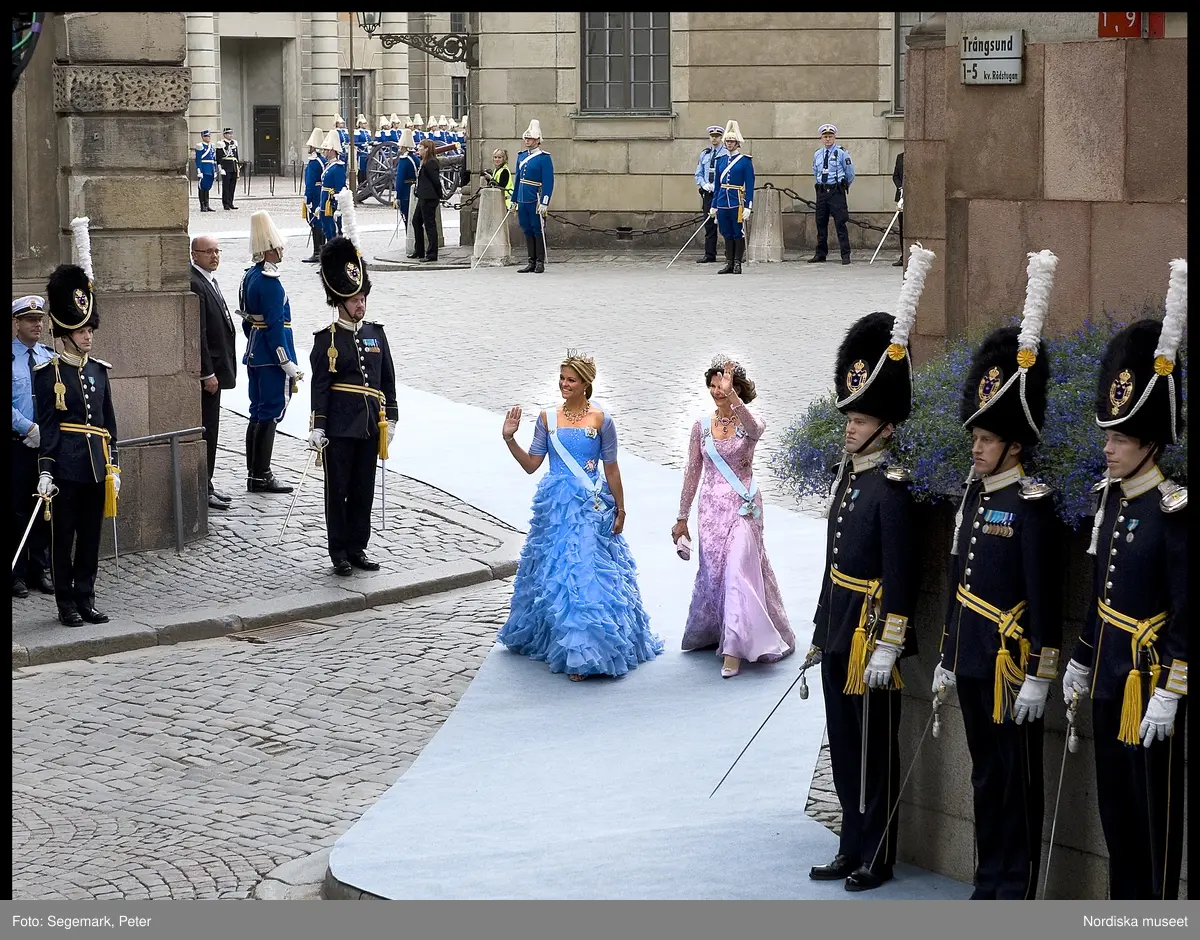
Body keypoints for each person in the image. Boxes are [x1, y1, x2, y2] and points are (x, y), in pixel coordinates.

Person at [934, 250, 1062, 900]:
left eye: (986, 439)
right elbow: (962, 584)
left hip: (1014, 668)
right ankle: (990, 881)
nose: (976, 447)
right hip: (978, 662)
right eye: (976, 438)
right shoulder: (976, 497)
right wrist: (949, 654)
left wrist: (1042, 674)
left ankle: (1015, 887)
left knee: (1015, 779)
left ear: (1014, 444)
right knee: (986, 778)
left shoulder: (1031, 506)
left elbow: (1044, 599)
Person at [808, 244, 935, 892]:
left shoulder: (893, 488)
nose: (849, 428)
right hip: (840, 631)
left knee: (874, 749)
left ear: (885, 426)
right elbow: (835, 566)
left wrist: (889, 643)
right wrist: (817, 633)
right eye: (849, 417)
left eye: (859, 419)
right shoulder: (850, 480)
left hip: (873, 637)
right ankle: (849, 841)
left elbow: (900, 573)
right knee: (844, 741)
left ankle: (876, 853)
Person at [1062, 259, 1188, 901]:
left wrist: (1173, 686)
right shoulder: (1109, 501)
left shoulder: (1172, 511)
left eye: (1122, 436)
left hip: (1148, 681)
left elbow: (1186, 612)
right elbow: (1099, 594)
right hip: (1110, 675)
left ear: (1151, 442)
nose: (1108, 447)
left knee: (1152, 815)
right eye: (1108, 435)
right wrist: (1083, 659)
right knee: (1116, 812)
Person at [498, 351, 663, 680]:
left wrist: (621, 507)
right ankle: (559, 640)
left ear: (586, 384)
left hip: (590, 505)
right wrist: (509, 438)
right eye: (561, 378)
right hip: (556, 507)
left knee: (584, 571)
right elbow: (532, 465)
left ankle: (587, 650)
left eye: (571, 380)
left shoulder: (602, 419)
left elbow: (612, 469)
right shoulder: (547, 418)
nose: (564, 384)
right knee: (554, 573)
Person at [674, 357, 796, 677]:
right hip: (710, 511)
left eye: (723, 385)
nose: (717, 390)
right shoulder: (701, 427)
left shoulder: (749, 422)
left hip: (744, 508)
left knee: (738, 571)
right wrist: (682, 517)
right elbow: (691, 473)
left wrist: (734, 399)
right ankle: (716, 631)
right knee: (716, 573)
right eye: (713, 385)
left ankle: (733, 649)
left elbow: (755, 429)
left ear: (736, 388)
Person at [34, 217, 121, 627]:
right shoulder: (48, 374)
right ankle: (66, 604)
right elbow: (49, 428)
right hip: (66, 467)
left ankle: (86, 598)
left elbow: (109, 424)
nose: (88, 336)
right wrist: (46, 471)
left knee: (90, 539)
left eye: (90, 329)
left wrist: (113, 465)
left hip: (94, 466)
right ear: (66, 333)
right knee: (62, 537)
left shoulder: (100, 372)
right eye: (82, 331)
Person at [308, 194, 398, 577]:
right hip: (340, 427)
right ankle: (339, 551)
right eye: (353, 300)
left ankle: (359, 546)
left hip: (368, 426)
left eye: (362, 298)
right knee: (338, 490)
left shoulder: (377, 335)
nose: (360, 305)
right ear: (340, 302)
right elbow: (321, 386)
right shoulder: (325, 339)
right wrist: (318, 425)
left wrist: (390, 419)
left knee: (363, 489)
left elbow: (387, 381)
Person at [240, 209, 300, 495]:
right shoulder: (270, 282)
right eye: (279, 247)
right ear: (271, 250)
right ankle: (262, 474)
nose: (282, 250)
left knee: (257, 411)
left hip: (254, 352)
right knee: (271, 412)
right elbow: (276, 326)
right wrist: (286, 361)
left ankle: (255, 473)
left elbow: (246, 320)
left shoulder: (249, 276)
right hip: (270, 355)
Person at [11, 295, 56, 598]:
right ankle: (15, 574)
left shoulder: (49, 356)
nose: (37, 324)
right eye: (30, 320)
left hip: (45, 445)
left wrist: (47, 432)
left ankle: (40, 569)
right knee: (16, 510)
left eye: (39, 319)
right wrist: (27, 427)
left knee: (44, 508)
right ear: (16, 323)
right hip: (17, 443)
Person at [190, 235, 238, 511]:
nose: (214, 256)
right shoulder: (195, 283)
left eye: (217, 251)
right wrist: (207, 372)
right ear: (194, 254)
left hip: (220, 368)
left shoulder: (209, 279)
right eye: (208, 252)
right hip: (210, 374)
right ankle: (203, 485)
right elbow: (200, 334)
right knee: (208, 429)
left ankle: (207, 482)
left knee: (214, 429)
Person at [710, 119, 753, 275]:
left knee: (737, 232)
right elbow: (717, 185)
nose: (729, 143)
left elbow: (750, 183)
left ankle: (737, 262)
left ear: (737, 143)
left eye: (732, 141)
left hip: (737, 200)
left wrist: (749, 205)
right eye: (727, 141)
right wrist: (714, 205)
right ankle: (729, 262)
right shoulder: (720, 161)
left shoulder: (745, 162)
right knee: (726, 231)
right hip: (722, 200)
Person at [808, 123, 855, 265]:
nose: (828, 139)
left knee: (840, 223)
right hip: (822, 190)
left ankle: (845, 254)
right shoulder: (818, 154)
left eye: (830, 136)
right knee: (820, 223)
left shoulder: (841, 152)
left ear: (834, 137)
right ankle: (820, 253)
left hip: (836, 191)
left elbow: (850, 172)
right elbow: (815, 171)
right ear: (821, 138)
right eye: (825, 136)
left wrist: (842, 185)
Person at [513, 119, 554, 274]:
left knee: (538, 230)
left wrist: (544, 201)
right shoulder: (521, 156)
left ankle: (539, 261)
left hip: (535, 198)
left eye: (529, 138)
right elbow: (517, 180)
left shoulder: (544, 158)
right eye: (526, 138)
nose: (526, 141)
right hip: (523, 198)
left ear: (537, 140)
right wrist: (514, 199)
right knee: (526, 229)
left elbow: (548, 182)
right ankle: (530, 261)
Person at [693, 125, 728, 264]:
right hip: (708, 193)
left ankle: (729, 254)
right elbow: (699, 174)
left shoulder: (726, 153)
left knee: (725, 223)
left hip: (722, 192)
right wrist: (704, 184)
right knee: (709, 225)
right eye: (712, 136)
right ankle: (709, 254)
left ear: (721, 138)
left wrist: (718, 185)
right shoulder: (705, 154)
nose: (714, 139)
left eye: (717, 136)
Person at [411, 138, 441, 264]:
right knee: (416, 221)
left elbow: (435, 180)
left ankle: (432, 253)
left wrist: (439, 195)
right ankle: (419, 250)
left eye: (421, 147)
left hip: (429, 196)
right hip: (422, 195)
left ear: (427, 149)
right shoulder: (423, 161)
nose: (419, 149)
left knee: (430, 225)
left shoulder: (431, 162)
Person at [301, 127, 328, 264]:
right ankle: (320, 250)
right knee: (319, 222)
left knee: (315, 223)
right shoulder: (322, 159)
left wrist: (308, 197)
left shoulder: (313, 162)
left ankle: (317, 251)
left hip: (315, 194)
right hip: (321, 192)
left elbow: (310, 182)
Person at [317, 129, 346, 244]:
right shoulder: (328, 165)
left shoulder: (338, 167)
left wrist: (338, 208)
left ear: (332, 150)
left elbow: (340, 189)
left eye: (326, 150)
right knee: (327, 231)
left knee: (333, 232)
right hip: (325, 203)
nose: (324, 152)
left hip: (331, 205)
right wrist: (320, 205)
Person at [393, 127, 419, 240]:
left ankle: (410, 241)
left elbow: (399, 179)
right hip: (414, 190)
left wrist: (397, 196)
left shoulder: (404, 160)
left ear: (403, 146)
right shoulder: (415, 158)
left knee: (407, 218)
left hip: (405, 193)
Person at [194, 129, 217, 212]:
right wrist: (199, 170)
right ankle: (202, 205)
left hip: (210, 168)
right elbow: (198, 160)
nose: (208, 138)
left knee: (207, 187)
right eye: (206, 136)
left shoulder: (212, 146)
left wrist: (215, 170)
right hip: (204, 168)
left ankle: (207, 205)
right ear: (202, 137)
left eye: (209, 136)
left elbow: (214, 159)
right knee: (202, 187)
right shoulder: (200, 146)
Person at [217, 128, 240, 210]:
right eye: (228, 134)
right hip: (226, 166)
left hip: (233, 166)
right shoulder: (221, 144)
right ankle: (225, 203)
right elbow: (219, 157)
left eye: (231, 133)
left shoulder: (234, 143)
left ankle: (231, 202)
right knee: (226, 186)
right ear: (225, 135)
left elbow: (236, 156)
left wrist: (237, 166)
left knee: (232, 186)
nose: (230, 135)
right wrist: (220, 168)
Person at [891, 152, 904, 267]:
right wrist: (900, 187)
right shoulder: (900, 157)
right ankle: (903, 256)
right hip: (901, 197)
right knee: (903, 227)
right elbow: (895, 176)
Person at [353, 114, 371, 183]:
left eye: (366, 123)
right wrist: (363, 144)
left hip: (367, 152)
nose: (365, 125)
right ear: (359, 124)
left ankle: (366, 182)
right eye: (363, 123)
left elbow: (369, 140)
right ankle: (361, 182)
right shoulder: (357, 132)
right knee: (361, 168)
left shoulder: (367, 132)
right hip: (361, 152)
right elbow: (355, 142)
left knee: (367, 168)